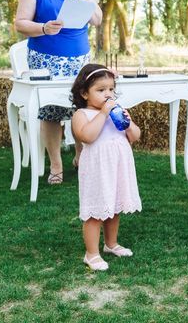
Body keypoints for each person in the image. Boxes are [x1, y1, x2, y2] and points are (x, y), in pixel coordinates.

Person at [14, 0, 102, 185]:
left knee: (82, 109)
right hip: (46, 59)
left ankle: (80, 156)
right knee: (51, 112)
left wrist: (90, 3)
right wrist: (43, 28)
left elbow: (97, 20)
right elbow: (20, 23)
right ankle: (55, 164)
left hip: (80, 59)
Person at [70, 63, 142, 271]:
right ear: (84, 93)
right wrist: (103, 114)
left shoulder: (118, 112)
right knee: (95, 210)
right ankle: (91, 254)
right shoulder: (82, 115)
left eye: (111, 89)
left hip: (118, 166)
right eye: (101, 90)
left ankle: (111, 244)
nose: (108, 94)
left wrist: (129, 124)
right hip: (97, 169)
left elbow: (134, 137)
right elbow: (87, 137)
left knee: (114, 206)